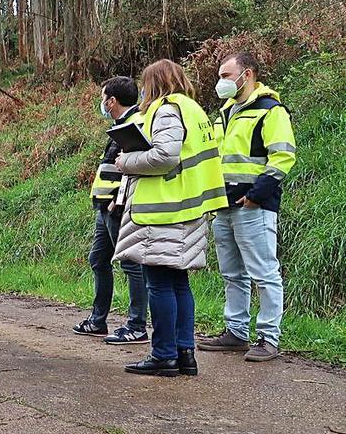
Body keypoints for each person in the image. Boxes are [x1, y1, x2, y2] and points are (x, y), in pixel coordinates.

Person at [113, 60, 226, 377]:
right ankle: (184, 354)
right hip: (187, 206)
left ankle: (163, 354)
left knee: (159, 284)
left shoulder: (164, 110)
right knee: (178, 283)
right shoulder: (193, 109)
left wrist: (126, 160)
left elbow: (165, 155)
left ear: (155, 84)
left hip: (163, 210)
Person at [198, 52, 296, 362]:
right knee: (232, 274)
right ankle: (236, 333)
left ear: (247, 74)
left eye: (226, 76)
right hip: (224, 205)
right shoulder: (224, 114)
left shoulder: (271, 111)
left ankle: (268, 338)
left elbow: (283, 156)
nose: (221, 82)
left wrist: (256, 194)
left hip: (253, 206)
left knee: (264, 274)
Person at [73, 76, 150, 345]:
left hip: (118, 208)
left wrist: (119, 198)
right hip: (104, 209)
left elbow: (136, 167)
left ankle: (137, 324)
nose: (102, 103)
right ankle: (98, 320)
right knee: (98, 259)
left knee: (132, 264)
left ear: (112, 101)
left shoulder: (135, 125)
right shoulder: (121, 125)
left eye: (103, 98)